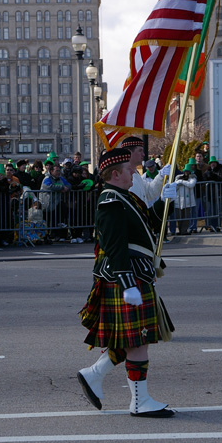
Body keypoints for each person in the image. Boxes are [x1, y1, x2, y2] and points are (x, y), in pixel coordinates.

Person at [78, 148, 174, 418]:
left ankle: (95, 374)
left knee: (134, 338)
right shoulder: (110, 201)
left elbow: (148, 226)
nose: (135, 171)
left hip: (137, 273)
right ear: (116, 174)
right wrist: (127, 284)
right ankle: (139, 401)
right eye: (130, 169)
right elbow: (113, 245)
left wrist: (165, 202)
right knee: (139, 339)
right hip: (128, 275)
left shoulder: (124, 197)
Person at [40, 164, 71, 241]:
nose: (58, 172)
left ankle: (59, 235)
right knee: (47, 221)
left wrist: (66, 188)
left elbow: (69, 185)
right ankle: (47, 236)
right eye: (56, 171)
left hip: (56, 203)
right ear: (51, 171)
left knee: (59, 218)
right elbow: (48, 186)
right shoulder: (47, 178)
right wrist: (61, 187)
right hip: (46, 204)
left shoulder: (61, 178)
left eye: (59, 171)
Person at [203, 156, 222, 232]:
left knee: (217, 210)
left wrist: (213, 176)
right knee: (210, 211)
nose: (213, 164)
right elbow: (204, 178)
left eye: (214, 163)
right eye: (211, 163)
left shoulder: (221, 170)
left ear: (216, 163)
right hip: (209, 194)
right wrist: (208, 175)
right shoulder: (208, 171)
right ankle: (211, 226)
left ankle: (217, 226)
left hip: (218, 193)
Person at [174, 164, 197, 235]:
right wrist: (180, 181)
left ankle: (184, 230)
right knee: (179, 216)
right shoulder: (178, 177)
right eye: (185, 171)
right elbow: (175, 185)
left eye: (188, 171)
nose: (186, 173)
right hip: (178, 200)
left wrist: (182, 182)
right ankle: (180, 230)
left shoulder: (192, 178)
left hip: (187, 200)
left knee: (186, 216)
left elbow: (191, 184)